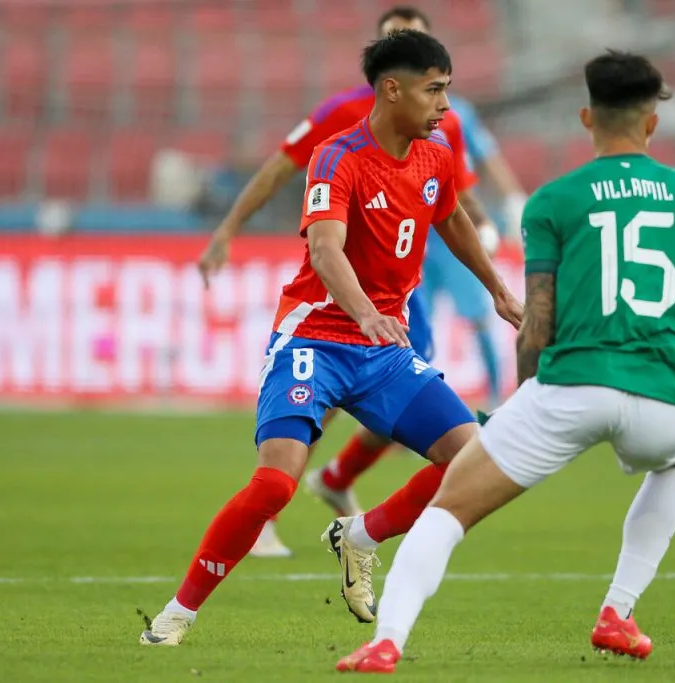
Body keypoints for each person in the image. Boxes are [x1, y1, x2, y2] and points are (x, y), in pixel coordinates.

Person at [334, 50, 675, 674]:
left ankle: (387, 640)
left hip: (569, 390)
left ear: (587, 118)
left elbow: (538, 323)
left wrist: (522, 402)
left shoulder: (554, 203)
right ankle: (618, 610)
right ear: (652, 124)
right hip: (665, 400)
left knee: (449, 508)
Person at [140, 29, 522, 647]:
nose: (445, 107)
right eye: (434, 91)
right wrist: (366, 311)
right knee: (273, 485)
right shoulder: (337, 155)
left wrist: (498, 290)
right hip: (314, 340)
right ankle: (177, 614)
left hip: (384, 351)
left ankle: (360, 536)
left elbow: (451, 216)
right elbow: (323, 247)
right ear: (392, 89)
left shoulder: (436, 154)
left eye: (447, 91)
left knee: (471, 459)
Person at [196, 5, 496, 558]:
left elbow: (452, 196)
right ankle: (280, 495)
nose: (440, 97)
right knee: (329, 390)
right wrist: (228, 229)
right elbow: (281, 167)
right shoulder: (341, 117)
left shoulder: (440, 121)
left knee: (403, 395)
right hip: (341, 296)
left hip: (404, 290)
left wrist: (493, 255)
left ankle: (338, 486)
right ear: (389, 80)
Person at [423, 92, 530, 409]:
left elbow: (486, 157)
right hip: (412, 232)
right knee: (412, 323)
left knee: (480, 314)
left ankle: (498, 396)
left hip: (455, 228)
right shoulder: (390, 109)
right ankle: (407, 410)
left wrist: (512, 198)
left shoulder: (457, 113)